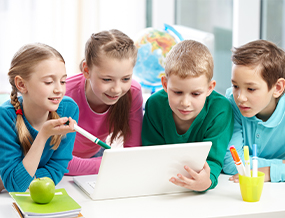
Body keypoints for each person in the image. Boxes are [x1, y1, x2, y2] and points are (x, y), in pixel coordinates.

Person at [141, 40, 234, 192]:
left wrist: (207, 182)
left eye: (195, 94)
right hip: (161, 188)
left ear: (210, 88)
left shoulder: (220, 109)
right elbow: (151, 153)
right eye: (177, 92)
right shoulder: (155, 105)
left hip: (201, 193)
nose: (185, 103)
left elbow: (213, 160)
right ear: (165, 84)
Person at [0, 43, 79, 192]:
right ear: (22, 84)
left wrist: (20, 178)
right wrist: (43, 135)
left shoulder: (69, 109)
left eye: (63, 81)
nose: (59, 90)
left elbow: (57, 169)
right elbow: (15, 186)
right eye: (49, 82)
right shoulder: (5, 117)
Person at [65, 29, 143, 175]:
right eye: (107, 79)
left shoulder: (133, 92)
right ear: (86, 70)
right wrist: (115, 162)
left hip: (96, 158)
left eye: (126, 78)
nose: (116, 90)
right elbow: (59, 162)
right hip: (55, 164)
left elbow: (133, 153)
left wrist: (117, 162)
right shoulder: (63, 96)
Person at [223, 40, 285, 183]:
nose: (240, 97)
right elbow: (232, 163)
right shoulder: (231, 103)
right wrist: (282, 165)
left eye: (251, 89)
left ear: (277, 88)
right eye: (235, 85)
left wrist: (269, 171)